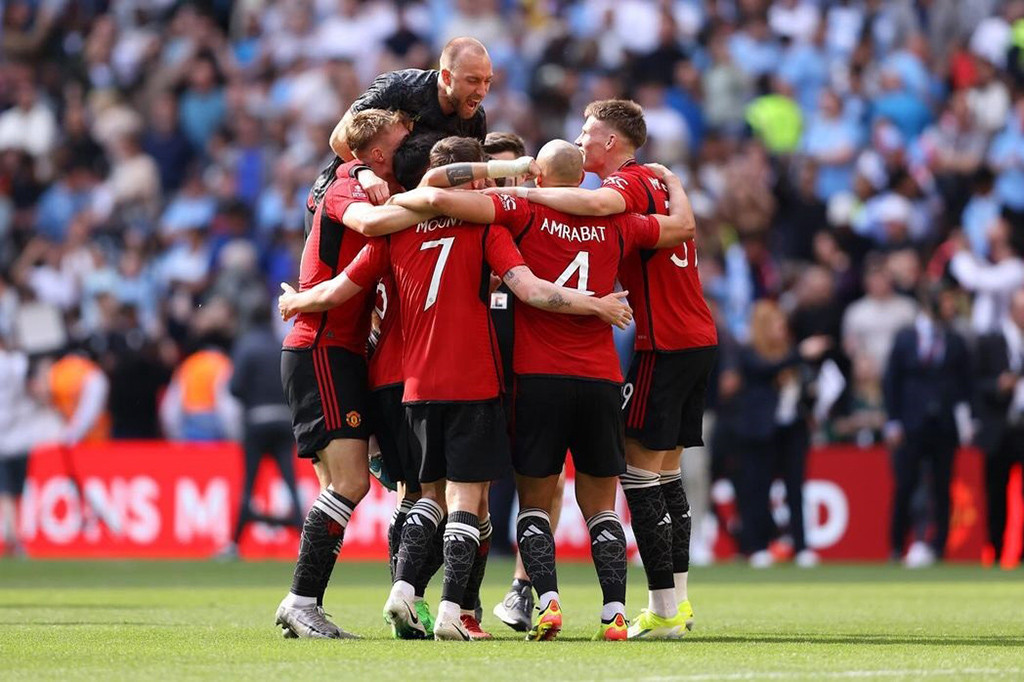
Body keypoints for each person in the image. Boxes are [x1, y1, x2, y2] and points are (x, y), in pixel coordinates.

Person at [278, 135, 633, 642]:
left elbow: (345, 286)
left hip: (407, 383)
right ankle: (454, 610)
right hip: (472, 378)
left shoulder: (395, 227)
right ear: (472, 173)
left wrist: (300, 301)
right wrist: (598, 304)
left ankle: (406, 592)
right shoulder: (485, 225)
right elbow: (530, 289)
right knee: (469, 501)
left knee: (420, 495)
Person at [390, 140, 695, 640]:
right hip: (600, 379)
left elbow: (439, 196)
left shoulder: (521, 207)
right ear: (580, 181)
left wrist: (504, 178)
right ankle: (614, 614)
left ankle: (547, 604)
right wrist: (675, 185)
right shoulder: (618, 221)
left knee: (534, 502)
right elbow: (681, 228)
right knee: (601, 506)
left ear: (541, 176)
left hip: (538, 378)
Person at [496, 99, 718, 639]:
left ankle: (663, 609)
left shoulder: (623, 188)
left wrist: (524, 190)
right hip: (695, 336)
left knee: (639, 478)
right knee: (664, 477)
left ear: (612, 142)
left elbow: (594, 208)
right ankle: (672, 605)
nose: (581, 140)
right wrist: (679, 183)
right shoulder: (656, 189)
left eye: (587, 131)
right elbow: (684, 226)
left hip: (659, 342)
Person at [274, 109, 439, 640]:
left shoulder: (367, 182)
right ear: (373, 156)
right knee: (347, 483)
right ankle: (300, 601)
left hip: (342, 351)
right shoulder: (345, 186)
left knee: (340, 485)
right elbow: (368, 226)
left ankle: (308, 602)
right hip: (323, 348)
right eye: (398, 144)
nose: (405, 151)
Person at [303, 37, 493, 233]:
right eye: (473, 81)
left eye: (488, 81)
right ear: (446, 77)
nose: (482, 91)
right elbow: (339, 140)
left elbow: (475, 174)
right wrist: (363, 172)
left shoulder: (475, 119)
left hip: (402, 214)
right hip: (343, 207)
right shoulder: (400, 88)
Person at [734, 301, 830, 568]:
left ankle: (801, 546)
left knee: (796, 487)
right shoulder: (750, 352)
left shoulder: (789, 353)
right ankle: (758, 546)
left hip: (793, 428)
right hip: (762, 431)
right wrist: (801, 352)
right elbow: (764, 370)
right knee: (758, 489)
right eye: (776, 324)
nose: (782, 329)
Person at [884, 287, 973, 568]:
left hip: (944, 423)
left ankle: (939, 547)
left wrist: (967, 419)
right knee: (906, 484)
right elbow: (892, 381)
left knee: (943, 486)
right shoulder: (906, 337)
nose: (951, 307)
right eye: (946, 301)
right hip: (911, 422)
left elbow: (965, 384)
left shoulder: (955, 340)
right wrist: (893, 420)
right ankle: (898, 545)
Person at [216, 305, 304, 560]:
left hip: (256, 422)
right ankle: (303, 540)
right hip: (284, 421)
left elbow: (234, 388)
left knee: (249, 485)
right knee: (290, 482)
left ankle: (233, 545)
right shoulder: (281, 343)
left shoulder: (246, 346)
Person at [974, 288, 1024, 566]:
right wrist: (998, 385)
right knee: (995, 493)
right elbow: (974, 383)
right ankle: (995, 550)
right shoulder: (990, 342)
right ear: (1012, 311)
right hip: (1000, 427)